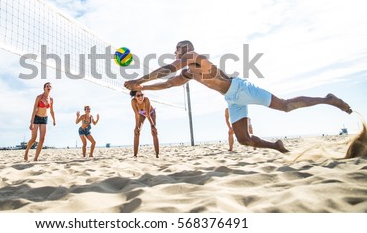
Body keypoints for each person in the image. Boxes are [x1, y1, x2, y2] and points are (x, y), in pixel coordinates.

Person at [124, 40, 352, 153]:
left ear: (184, 49)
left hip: (240, 88)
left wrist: (140, 80)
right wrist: (142, 88)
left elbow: (168, 69)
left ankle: (328, 99)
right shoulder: (188, 72)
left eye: (176, 50)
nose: (174, 52)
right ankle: (277, 146)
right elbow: (169, 83)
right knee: (244, 139)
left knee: (284, 106)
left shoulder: (194, 56)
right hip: (231, 99)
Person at [24, 82, 56, 161]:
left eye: (50, 86)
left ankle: (36, 158)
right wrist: (31, 123)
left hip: (44, 119)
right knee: (34, 139)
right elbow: (34, 110)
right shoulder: (39, 97)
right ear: (44, 88)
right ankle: (27, 151)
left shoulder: (51, 99)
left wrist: (54, 120)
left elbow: (52, 111)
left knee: (42, 139)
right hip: (36, 118)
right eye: (47, 86)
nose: (49, 87)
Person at [130, 90, 160, 158]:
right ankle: (135, 155)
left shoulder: (146, 100)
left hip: (151, 113)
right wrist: (136, 127)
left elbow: (147, 114)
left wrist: (153, 126)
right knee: (136, 132)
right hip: (141, 114)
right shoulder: (133, 101)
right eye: (138, 95)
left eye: (142, 95)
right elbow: (137, 114)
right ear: (135, 97)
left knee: (154, 132)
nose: (140, 97)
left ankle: (157, 155)